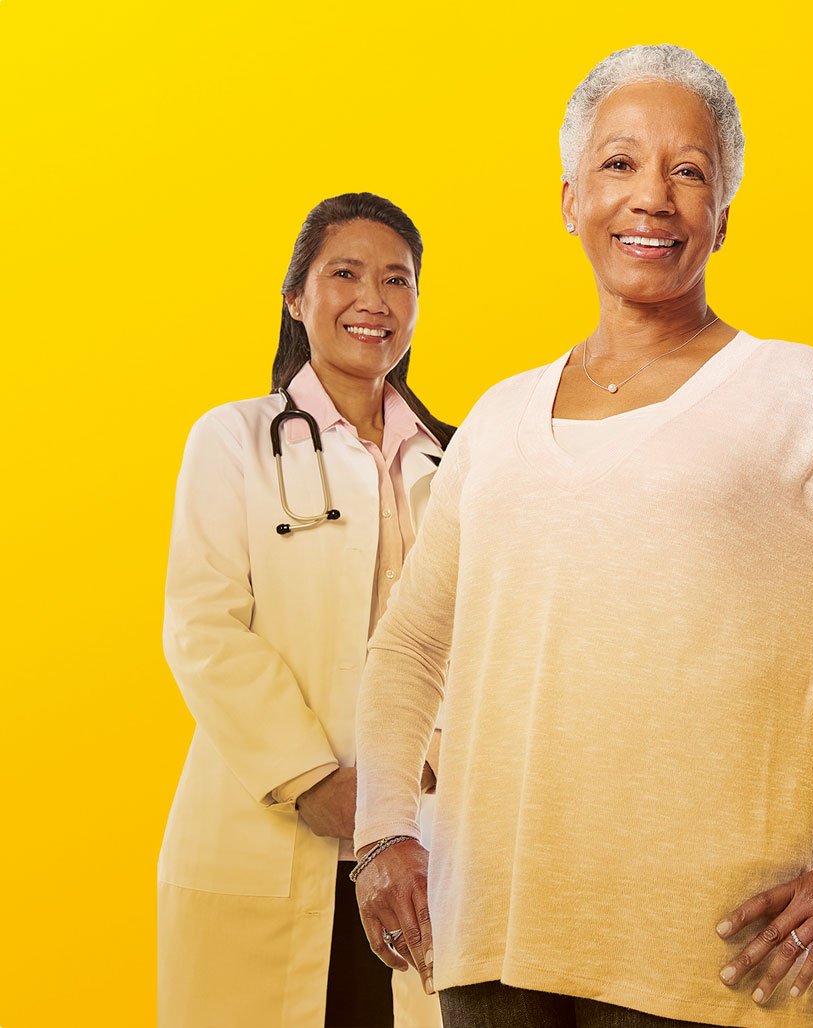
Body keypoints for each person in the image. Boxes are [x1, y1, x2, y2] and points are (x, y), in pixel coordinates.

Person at [348, 44, 813, 1028]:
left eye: (687, 171)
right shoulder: (496, 419)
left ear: (724, 216)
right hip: (490, 944)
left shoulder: (797, 394)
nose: (651, 196)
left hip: (708, 960)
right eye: (620, 164)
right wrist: (383, 830)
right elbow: (409, 644)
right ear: (569, 198)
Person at [159, 192, 455, 1028]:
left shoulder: (457, 460)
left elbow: (484, 641)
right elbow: (205, 626)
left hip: (420, 832)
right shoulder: (233, 441)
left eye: (397, 280)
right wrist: (314, 780)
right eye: (346, 274)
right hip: (272, 830)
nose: (374, 299)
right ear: (297, 297)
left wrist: (421, 771)